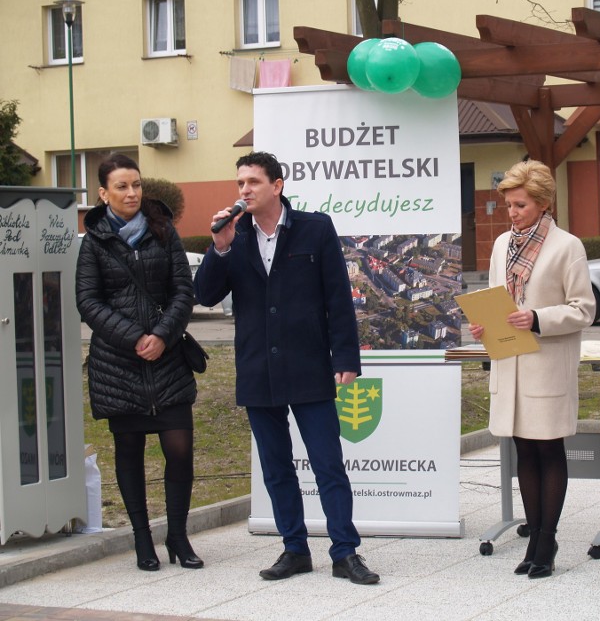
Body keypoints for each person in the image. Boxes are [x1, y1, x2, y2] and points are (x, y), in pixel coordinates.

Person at [193, 151, 379, 585]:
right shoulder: (233, 238)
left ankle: (345, 552)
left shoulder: (315, 228)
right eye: (240, 183)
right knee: (276, 467)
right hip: (258, 368)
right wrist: (218, 247)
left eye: (253, 182)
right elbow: (204, 295)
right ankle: (294, 549)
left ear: (277, 185)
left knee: (327, 464)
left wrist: (346, 358)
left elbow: (338, 297)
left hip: (309, 365)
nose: (244, 191)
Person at [76, 153, 203, 572]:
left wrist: (162, 336)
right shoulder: (94, 239)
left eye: (136, 185)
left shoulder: (164, 231)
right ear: (103, 193)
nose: (131, 193)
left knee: (179, 450)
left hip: (167, 362)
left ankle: (179, 537)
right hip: (118, 365)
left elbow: (184, 290)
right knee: (128, 451)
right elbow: (88, 301)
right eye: (121, 187)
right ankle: (142, 540)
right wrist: (135, 338)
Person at [469, 160, 595, 579]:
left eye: (520, 205)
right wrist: (484, 322)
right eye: (508, 205)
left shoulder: (567, 246)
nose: (512, 212)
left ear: (542, 203)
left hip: (546, 363)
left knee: (548, 448)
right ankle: (535, 533)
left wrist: (537, 317)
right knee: (523, 449)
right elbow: (497, 298)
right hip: (510, 362)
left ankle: (548, 538)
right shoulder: (503, 244)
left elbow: (583, 309)